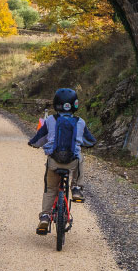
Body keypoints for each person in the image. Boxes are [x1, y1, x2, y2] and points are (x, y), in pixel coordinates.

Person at [27, 88, 96, 235]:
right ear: (75, 104)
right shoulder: (80, 122)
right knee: (80, 158)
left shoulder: (50, 120)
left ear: (56, 104)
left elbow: (39, 139)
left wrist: (32, 143)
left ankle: (45, 217)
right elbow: (90, 141)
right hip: (72, 163)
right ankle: (76, 188)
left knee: (50, 189)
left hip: (54, 163)